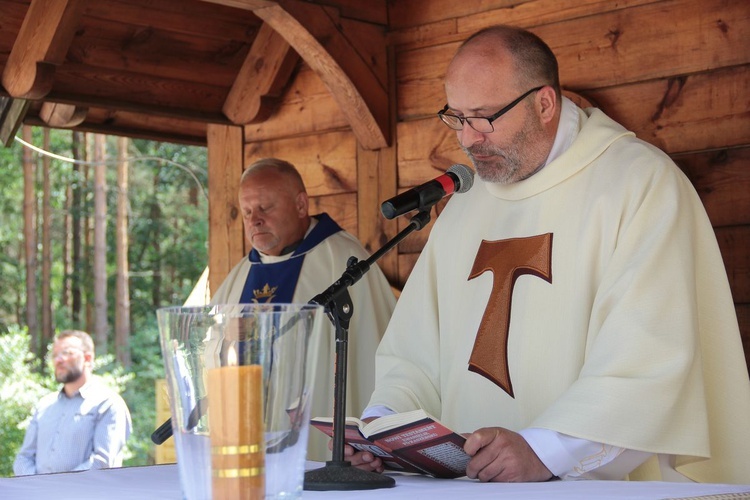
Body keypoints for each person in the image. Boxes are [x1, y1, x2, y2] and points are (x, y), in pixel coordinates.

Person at [348, 25, 750, 483]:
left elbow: (647, 361)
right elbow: (414, 353)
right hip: (468, 488)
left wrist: (544, 450)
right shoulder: (464, 206)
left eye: (483, 116)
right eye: (456, 117)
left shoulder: (638, 185)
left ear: (544, 104)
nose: (468, 139)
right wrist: (384, 426)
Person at [210, 157, 397, 461]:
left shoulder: (344, 263)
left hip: (316, 451)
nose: (254, 220)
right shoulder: (240, 275)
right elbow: (208, 350)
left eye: (265, 208)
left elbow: (374, 354)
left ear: (300, 205)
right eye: (247, 211)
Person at [13, 330, 132, 475]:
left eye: (66, 353)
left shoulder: (107, 404)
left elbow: (103, 462)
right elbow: (23, 458)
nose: (58, 360)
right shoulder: (44, 405)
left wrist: (56, 489)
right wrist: (38, 487)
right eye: (55, 355)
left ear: (87, 358)